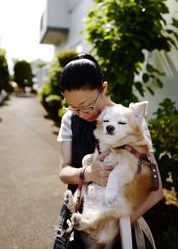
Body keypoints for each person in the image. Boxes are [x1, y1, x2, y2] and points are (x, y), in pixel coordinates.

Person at [53, 53, 163, 249]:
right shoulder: (69, 120)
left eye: (87, 105)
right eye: (73, 107)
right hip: (77, 218)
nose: (82, 113)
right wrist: (87, 173)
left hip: (117, 228)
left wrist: (119, 225)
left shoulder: (130, 120)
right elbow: (63, 172)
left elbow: (157, 191)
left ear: (103, 88)